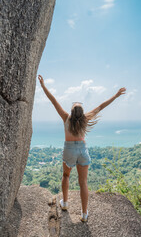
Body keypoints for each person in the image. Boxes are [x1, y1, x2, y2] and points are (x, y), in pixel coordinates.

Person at [38, 74, 126, 222]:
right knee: (83, 182)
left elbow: (53, 101)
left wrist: (43, 86)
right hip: (83, 151)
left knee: (66, 175)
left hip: (69, 150)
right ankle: (84, 214)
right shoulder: (86, 118)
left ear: (72, 111)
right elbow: (102, 106)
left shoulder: (66, 117)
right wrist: (116, 95)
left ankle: (65, 203)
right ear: (81, 112)